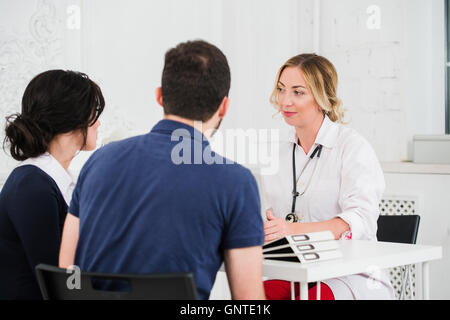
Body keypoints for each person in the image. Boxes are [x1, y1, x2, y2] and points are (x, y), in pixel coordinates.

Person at [59, 40, 266, 300]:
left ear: (160, 96)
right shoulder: (236, 182)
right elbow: (248, 301)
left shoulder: (99, 161)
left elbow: (66, 275)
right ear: (224, 106)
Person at [260, 54, 395, 300]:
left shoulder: (352, 147)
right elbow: (273, 219)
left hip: (350, 274)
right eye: (281, 90)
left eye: (298, 92)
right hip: (297, 269)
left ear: (322, 98)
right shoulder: (277, 154)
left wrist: (292, 229)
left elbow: (359, 220)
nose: (285, 101)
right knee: (251, 298)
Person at [0, 70, 104, 299]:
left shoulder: (59, 181)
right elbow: (59, 282)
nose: (98, 124)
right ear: (72, 118)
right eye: (93, 115)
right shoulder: (32, 187)